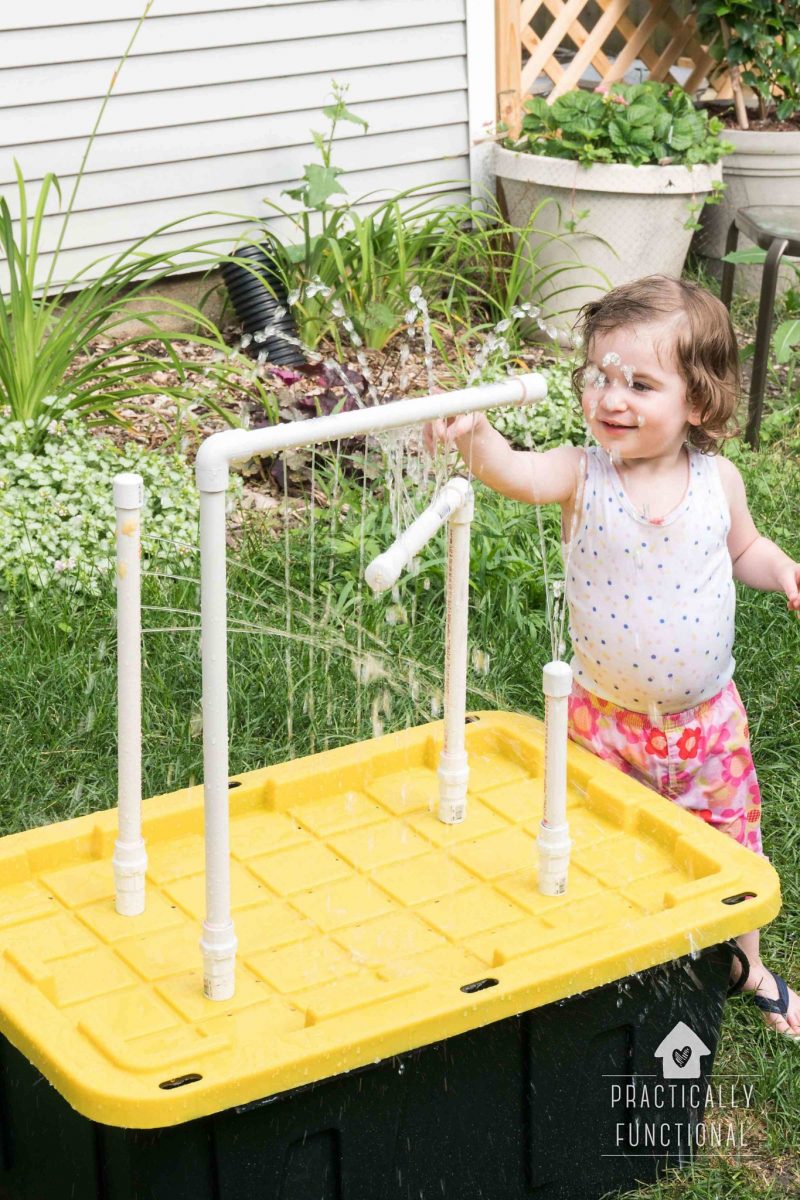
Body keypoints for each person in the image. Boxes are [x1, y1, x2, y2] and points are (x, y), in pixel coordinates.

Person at [424, 275, 800, 1039]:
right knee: (599, 845)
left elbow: (745, 549)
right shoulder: (580, 473)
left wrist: (784, 569)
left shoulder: (718, 482)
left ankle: (748, 968)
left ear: (699, 403)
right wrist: (476, 437)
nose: (611, 399)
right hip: (603, 724)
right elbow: (513, 472)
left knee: (732, 847)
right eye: (599, 377)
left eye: (639, 384)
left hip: (708, 726)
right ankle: (613, 964)